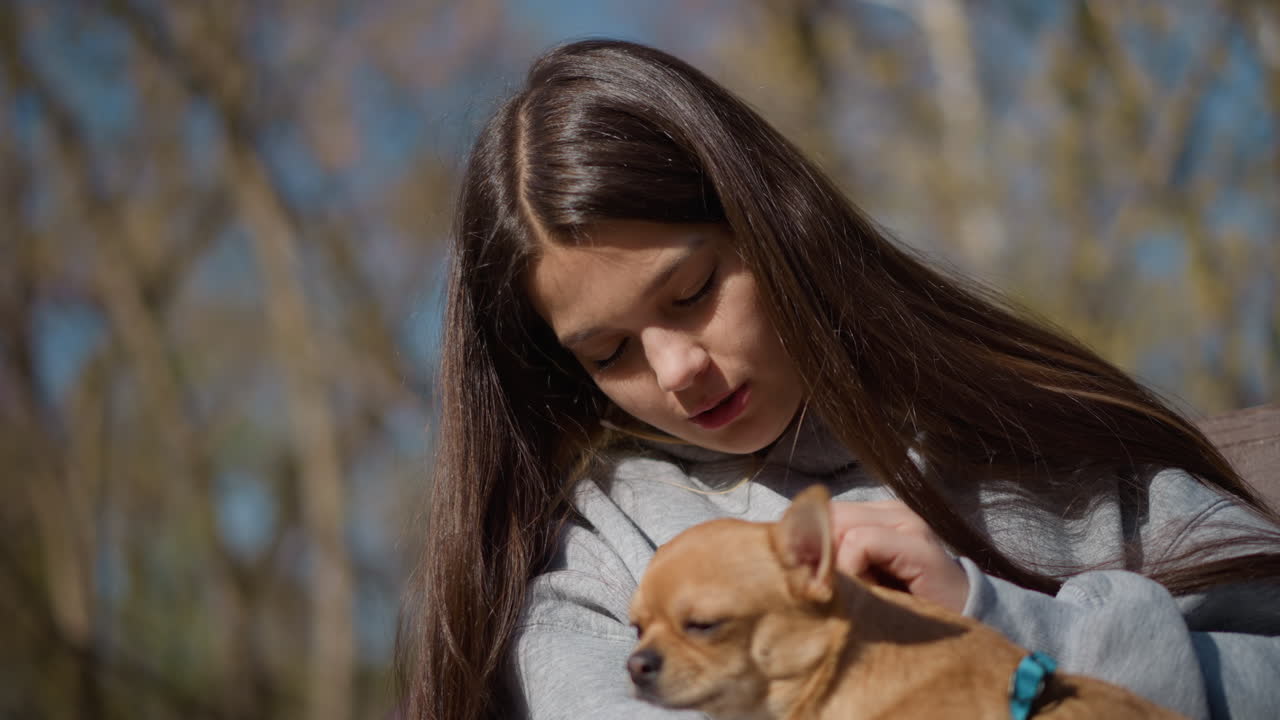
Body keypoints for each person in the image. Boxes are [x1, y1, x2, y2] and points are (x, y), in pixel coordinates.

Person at [395, 39, 1280, 720]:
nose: (678, 369)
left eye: (693, 292)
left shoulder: (1027, 440)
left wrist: (1000, 632)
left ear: (776, 227)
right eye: (608, 353)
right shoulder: (594, 567)